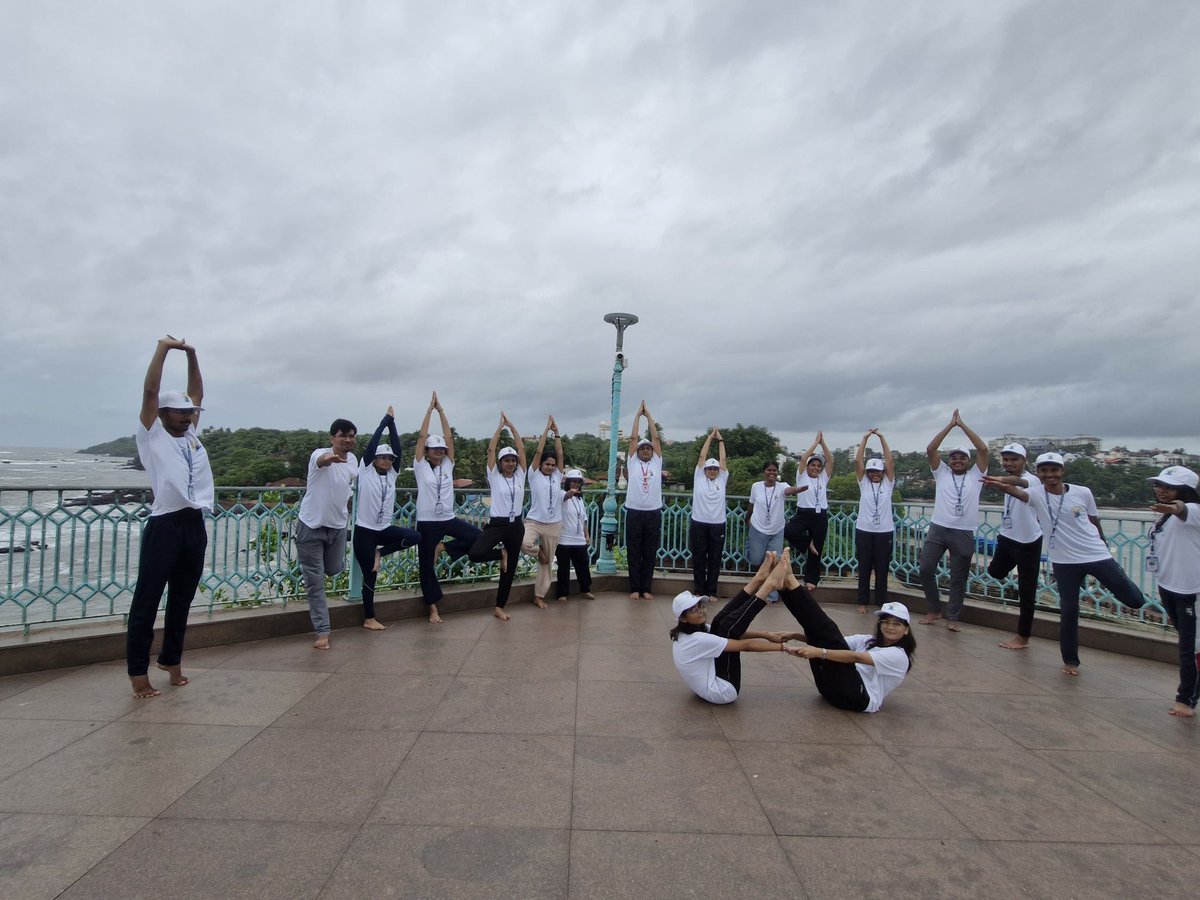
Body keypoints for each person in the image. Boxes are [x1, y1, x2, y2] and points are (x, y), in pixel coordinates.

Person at [984, 452, 1144, 675]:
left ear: (1062, 471)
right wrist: (999, 483)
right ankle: (1070, 662)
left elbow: (1093, 521)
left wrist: (1104, 547)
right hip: (1064, 562)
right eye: (1045, 471)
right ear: (1039, 473)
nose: (1050, 475)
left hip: (1095, 555)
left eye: (1054, 470)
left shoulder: (1083, 492)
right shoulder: (1036, 494)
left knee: (1135, 600)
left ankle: (1126, 585)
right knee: (1069, 612)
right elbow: (1017, 490)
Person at [127, 336, 214, 699]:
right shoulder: (152, 437)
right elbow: (150, 390)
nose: (187, 414)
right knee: (147, 600)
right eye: (179, 411)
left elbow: (197, 393)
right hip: (165, 525)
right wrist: (165, 349)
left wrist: (192, 354)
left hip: (194, 524)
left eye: (189, 411)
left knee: (182, 599)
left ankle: (171, 661)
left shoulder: (191, 435)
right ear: (161, 414)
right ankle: (137, 675)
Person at [779, 559, 915, 713]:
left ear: (906, 630)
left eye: (896, 624)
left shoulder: (899, 655)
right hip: (829, 690)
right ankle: (784, 588)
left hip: (857, 698)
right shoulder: (868, 640)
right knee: (819, 635)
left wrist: (819, 652)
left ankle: (791, 583)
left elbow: (855, 657)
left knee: (828, 631)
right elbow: (836, 641)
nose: (890, 627)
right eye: (886, 622)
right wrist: (797, 636)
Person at [669, 552, 793, 704]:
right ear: (683, 617)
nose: (701, 611)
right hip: (724, 690)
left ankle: (758, 580)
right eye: (694, 610)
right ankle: (768, 586)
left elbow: (733, 634)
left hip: (713, 677)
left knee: (719, 623)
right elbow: (745, 645)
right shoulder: (696, 639)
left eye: (701, 606)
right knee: (727, 628)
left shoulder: (689, 631)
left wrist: (766, 635)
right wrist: (783, 647)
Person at [918, 409, 989, 632]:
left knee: (959, 577)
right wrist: (950, 426)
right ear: (949, 461)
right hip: (938, 528)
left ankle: (953, 616)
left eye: (962, 457)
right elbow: (931, 449)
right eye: (954, 457)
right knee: (926, 568)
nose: (958, 460)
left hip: (963, 531)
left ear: (969, 461)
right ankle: (934, 608)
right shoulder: (942, 473)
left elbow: (983, 449)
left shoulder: (977, 475)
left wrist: (963, 425)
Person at [414, 392, 481, 624]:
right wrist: (428, 411)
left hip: (448, 518)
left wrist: (441, 411)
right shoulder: (421, 466)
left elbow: (449, 437)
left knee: (478, 537)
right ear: (427, 451)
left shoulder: (448, 465)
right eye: (435, 449)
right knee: (425, 567)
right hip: (427, 521)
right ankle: (433, 608)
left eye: (442, 449)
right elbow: (422, 435)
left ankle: (443, 547)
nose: (440, 451)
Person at [351, 406, 419, 631]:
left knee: (414, 536)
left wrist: (393, 424)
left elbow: (397, 446)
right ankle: (369, 618)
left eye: (390, 458)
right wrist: (385, 421)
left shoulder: (393, 474)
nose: (387, 461)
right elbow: (372, 444)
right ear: (375, 459)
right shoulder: (366, 470)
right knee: (370, 575)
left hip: (384, 528)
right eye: (383, 457)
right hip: (365, 531)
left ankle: (380, 552)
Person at [296, 416, 358, 650]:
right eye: (343, 436)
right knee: (315, 582)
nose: (348, 440)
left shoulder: (353, 460)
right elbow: (321, 461)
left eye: (351, 436)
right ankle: (323, 632)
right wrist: (328, 459)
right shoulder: (318, 454)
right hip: (311, 527)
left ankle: (317, 570)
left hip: (338, 527)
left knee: (332, 569)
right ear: (332, 438)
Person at [1145, 466, 1200, 715]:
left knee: (1190, 649)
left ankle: (1186, 699)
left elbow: (1183, 509)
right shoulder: (1163, 517)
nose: (1161, 490)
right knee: (1189, 644)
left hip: (1191, 591)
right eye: (1158, 485)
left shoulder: (1194, 512)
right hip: (1168, 586)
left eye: (1168, 487)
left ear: (1184, 490)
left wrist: (1174, 507)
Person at [467, 413, 527, 621]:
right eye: (506, 461)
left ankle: (500, 607)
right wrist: (500, 428)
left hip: (516, 526)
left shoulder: (520, 475)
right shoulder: (494, 476)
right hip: (497, 525)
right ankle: (500, 554)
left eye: (513, 461)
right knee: (475, 553)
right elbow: (491, 449)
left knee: (508, 571)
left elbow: (521, 449)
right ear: (500, 463)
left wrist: (513, 427)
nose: (510, 463)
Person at [986, 442, 1044, 650]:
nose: (1009, 463)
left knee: (1027, 592)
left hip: (1029, 541)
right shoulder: (1009, 480)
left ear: (1024, 461)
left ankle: (1023, 637)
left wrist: (1001, 481)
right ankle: (1014, 572)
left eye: (1014, 459)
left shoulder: (1033, 480)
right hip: (1007, 537)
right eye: (1006, 459)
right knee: (995, 572)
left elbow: (1018, 483)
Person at [745, 460, 804, 601]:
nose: (772, 473)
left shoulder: (782, 486)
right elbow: (751, 504)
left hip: (777, 530)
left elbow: (789, 491)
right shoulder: (756, 487)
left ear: (777, 472)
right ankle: (749, 546)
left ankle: (770, 595)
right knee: (756, 559)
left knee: (774, 562)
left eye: (774, 470)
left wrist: (797, 489)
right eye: (769, 470)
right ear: (764, 472)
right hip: (758, 528)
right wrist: (747, 519)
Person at [522, 416, 565, 608]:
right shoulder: (533, 475)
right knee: (524, 542)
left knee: (547, 565)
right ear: (540, 465)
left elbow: (560, 453)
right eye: (547, 464)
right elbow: (539, 451)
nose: (550, 467)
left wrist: (557, 434)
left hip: (554, 524)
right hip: (534, 521)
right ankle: (538, 551)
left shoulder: (557, 475)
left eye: (553, 465)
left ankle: (539, 595)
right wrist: (546, 430)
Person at [853, 428, 896, 614]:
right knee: (864, 568)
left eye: (877, 471)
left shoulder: (888, 483)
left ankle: (881, 603)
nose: (874, 474)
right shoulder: (864, 483)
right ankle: (862, 602)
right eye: (871, 471)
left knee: (881, 569)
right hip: (864, 530)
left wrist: (882, 438)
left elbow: (890, 460)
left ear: (882, 471)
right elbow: (857, 461)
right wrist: (864, 438)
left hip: (884, 531)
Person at [624, 401, 663, 600]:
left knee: (649, 551)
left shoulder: (657, 462)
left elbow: (655, 437)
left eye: (648, 448)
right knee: (634, 550)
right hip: (634, 512)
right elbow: (632, 439)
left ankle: (646, 588)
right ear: (638, 452)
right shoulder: (632, 463)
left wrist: (649, 416)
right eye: (643, 448)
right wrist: (637, 417)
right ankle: (634, 588)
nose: (646, 450)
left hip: (653, 512)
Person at [786, 431, 833, 590]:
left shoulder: (823, 478)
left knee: (817, 550)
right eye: (813, 465)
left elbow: (830, 461)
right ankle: (807, 544)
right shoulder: (802, 476)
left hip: (820, 515)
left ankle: (811, 580)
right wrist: (815, 443)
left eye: (818, 466)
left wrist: (823, 443)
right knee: (789, 531)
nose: (815, 468)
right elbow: (804, 458)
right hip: (804, 513)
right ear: (807, 467)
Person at [689, 427, 728, 597]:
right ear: (704, 470)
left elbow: (723, 458)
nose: (712, 471)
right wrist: (709, 438)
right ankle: (699, 590)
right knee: (698, 557)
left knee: (714, 559)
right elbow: (702, 457)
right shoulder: (699, 477)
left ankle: (711, 591)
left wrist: (720, 440)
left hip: (717, 524)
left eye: (714, 468)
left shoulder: (722, 478)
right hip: (699, 522)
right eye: (709, 468)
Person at [555, 468, 594, 601]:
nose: (576, 484)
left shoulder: (580, 500)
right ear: (568, 482)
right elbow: (565, 496)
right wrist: (569, 493)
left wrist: (586, 535)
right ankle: (562, 594)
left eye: (578, 482)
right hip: (564, 539)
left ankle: (585, 589)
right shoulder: (562, 495)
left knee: (583, 566)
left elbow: (583, 519)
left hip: (579, 539)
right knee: (563, 568)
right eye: (573, 481)